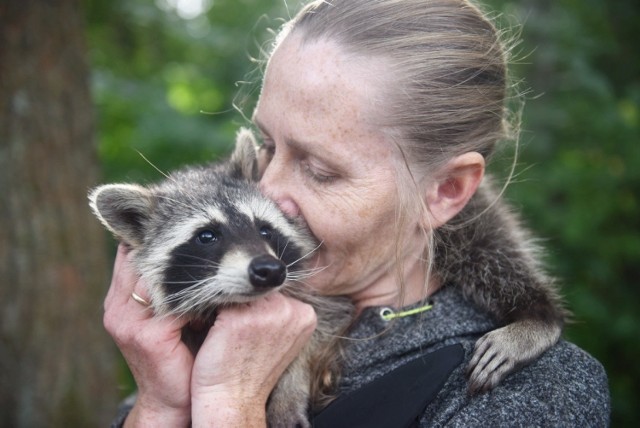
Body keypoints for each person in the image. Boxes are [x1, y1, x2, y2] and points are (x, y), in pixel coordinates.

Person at [105, 0, 610, 426]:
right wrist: (161, 404)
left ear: (445, 191)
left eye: (320, 169)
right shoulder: (219, 323)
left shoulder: (540, 390)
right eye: (266, 145)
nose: (267, 191)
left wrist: (227, 403)